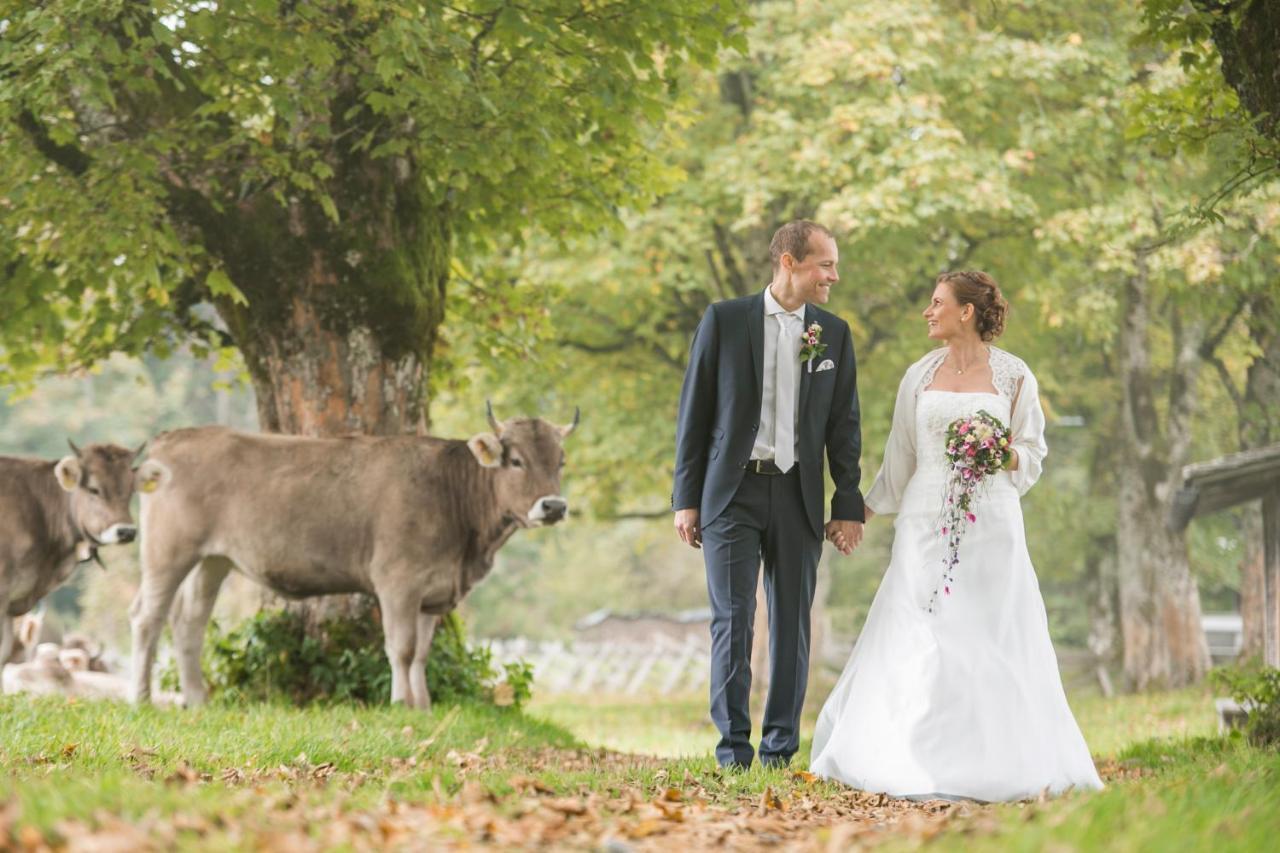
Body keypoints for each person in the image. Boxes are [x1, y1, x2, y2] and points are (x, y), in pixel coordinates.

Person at [809, 270, 1103, 801]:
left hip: (992, 524)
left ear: (966, 311)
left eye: (937, 302)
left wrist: (1000, 452)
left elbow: (1031, 452)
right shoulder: (918, 377)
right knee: (921, 630)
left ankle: (996, 758)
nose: (928, 311)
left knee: (989, 634)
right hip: (922, 522)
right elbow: (899, 456)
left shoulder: (1015, 376)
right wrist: (858, 514)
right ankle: (913, 752)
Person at [672, 220, 865, 770]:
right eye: (825, 264)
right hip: (730, 494)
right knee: (732, 620)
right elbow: (695, 412)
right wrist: (685, 498)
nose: (834, 274)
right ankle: (733, 751)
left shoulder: (833, 332)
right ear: (789, 263)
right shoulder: (725, 320)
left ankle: (780, 750)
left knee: (791, 624)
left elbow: (844, 427)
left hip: (800, 494)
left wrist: (846, 506)